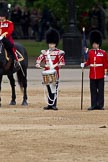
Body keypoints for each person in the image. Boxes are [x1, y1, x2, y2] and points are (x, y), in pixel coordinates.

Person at [35, 28, 65, 110]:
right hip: (47, 72)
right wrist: (38, 63)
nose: (50, 45)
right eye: (49, 44)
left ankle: (54, 104)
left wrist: (58, 65)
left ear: (55, 44)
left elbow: (62, 62)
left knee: (54, 89)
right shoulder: (45, 52)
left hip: (54, 72)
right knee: (48, 88)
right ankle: (49, 104)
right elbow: (39, 58)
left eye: (52, 44)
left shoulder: (59, 52)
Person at [81, 30, 108, 110]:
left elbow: (106, 64)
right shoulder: (90, 52)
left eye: (95, 44)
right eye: (93, 44)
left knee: (100, 91)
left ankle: (100, 105)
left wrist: (105, 73)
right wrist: (84, 64)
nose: (94, 45)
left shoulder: (103, 53)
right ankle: (93, 105)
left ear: (98, 44)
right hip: (92, 74)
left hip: (100, 74)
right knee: (93, 90)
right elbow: (88, 62)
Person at [0, 3, 19, 68]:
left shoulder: (9, 23)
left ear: (5, 16)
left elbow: (10, 31)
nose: (0, 17)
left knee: (11, 47)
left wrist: (3, 35)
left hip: (7, 38)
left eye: (2, 16)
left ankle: (15, 60)